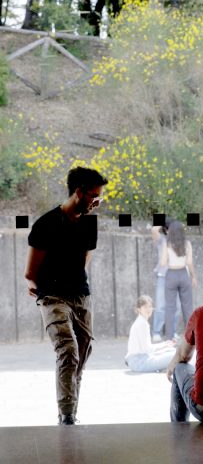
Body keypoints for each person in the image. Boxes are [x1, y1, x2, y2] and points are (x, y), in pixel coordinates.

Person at [24, 166, 109, 425]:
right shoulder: (46, 224)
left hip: (80, 294)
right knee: (68, 350)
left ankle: (71, 410)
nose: (97, 202)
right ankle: (67, 415)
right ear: (78, 192)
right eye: (94, 196)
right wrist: (40, 287)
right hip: (52, 296)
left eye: (99, 198)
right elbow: (30, 272)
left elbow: (84, 259)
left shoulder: (89, 223)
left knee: (82, 352)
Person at [167, 260, 203, 425]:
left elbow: (183, 356)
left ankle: (178, 430)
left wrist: (171, 366)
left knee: (180, 367)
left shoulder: (201, 314)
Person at [160, 220, 197, 341]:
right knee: (187, 307)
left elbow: (163, 262)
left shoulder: (167, 244)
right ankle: (191, 337)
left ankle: (169, 338)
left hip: (171, 274)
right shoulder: (187, 244)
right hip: (183, 274)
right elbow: (189, 262)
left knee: (170, 307)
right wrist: (193, 276)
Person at [124, 295, 176, 373]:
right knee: (176, 355)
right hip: (139, 362)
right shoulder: (142, 324)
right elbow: (147, 349)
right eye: (145, 307)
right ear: (139, 309)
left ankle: (165, 367)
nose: (148, 309)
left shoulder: (142, 321)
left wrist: (165, 345)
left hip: (138, 359)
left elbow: (146, 350)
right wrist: (164, 345)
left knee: (171, 350)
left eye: (150, 306)